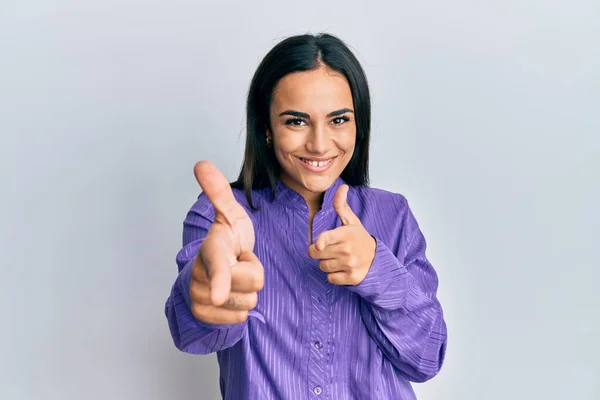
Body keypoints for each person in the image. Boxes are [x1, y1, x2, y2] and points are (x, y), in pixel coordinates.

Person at [165, 32, 448, 399]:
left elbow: (426, 360)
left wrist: (377, 270)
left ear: (358, 124)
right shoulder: (222, 217)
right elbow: (194, 336)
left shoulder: (392, 215)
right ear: (266, 129)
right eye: (296, 121)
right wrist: (204, 290)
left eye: (338, 120)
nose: (318, 143)